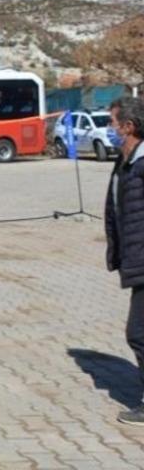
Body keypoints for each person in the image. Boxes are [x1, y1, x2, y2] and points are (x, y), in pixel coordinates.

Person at [106, 95, 144, 426]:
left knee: (138, 333)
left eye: (112, 123)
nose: (110, 128)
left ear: (128, 126)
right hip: (135, 259)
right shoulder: (126, 160)